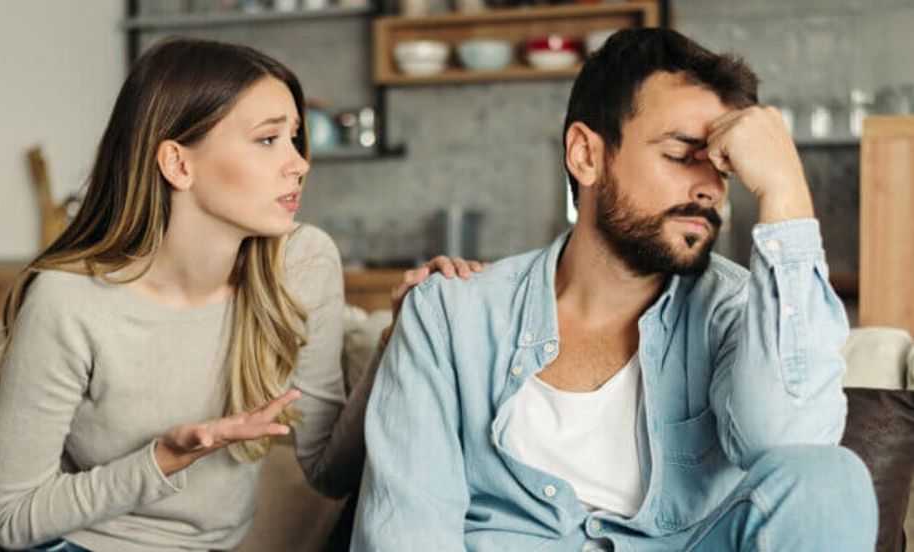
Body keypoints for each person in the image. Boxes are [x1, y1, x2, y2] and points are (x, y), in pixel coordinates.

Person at [353, 28, 878, 551]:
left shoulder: (740, 312)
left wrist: (785, 192)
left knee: (830, 478)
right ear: (586, 155)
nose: (710, 189)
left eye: (726, 168)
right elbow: (407, 529)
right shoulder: (450, 315)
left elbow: (790, 448)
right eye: (681, 155)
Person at [0, 38, 479, 551]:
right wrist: (163, 459)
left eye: (294, 138)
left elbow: (330, 471)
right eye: (267, 139)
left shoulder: (302, 265)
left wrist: (401, 337)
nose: (299, 163)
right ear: (178, 164)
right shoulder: (68, 300)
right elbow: (13, 517)